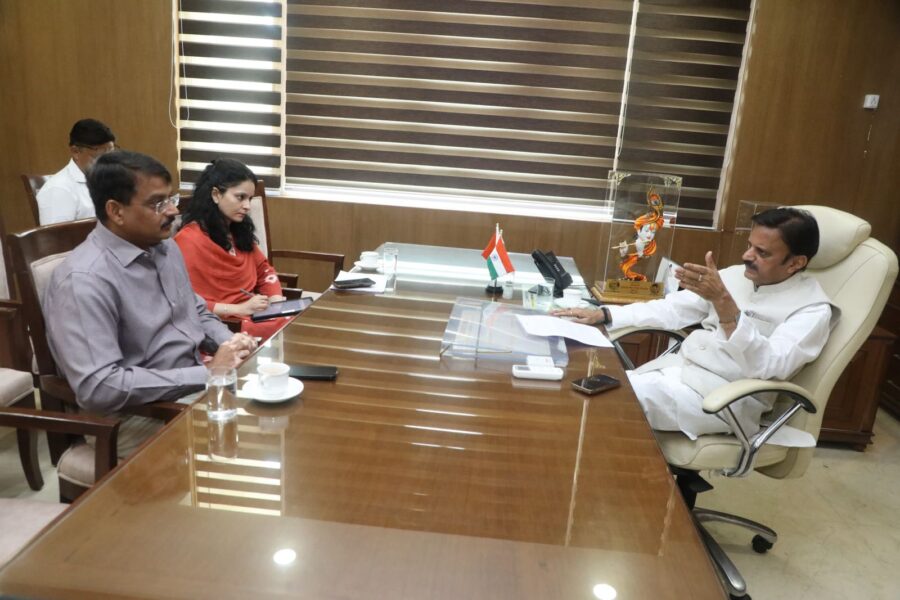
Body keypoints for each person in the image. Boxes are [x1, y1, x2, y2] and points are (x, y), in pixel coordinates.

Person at [556, 207, 839, 440]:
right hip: (679, 374)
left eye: (762, 253)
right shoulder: (735, 275)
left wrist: (726, 307)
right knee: (575, 386)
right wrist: (606, 315)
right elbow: (672, 309)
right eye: (749, 246)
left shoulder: (812, 310)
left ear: (795, 263)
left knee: (603, 404)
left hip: (725, 400)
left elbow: (769, 366)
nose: (747, 256)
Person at [43, 150, 257, 418]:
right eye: (157, 203)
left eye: (170, 198)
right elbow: (99, 387)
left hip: (193, 384)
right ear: (116, 211)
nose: (173, 211)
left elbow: (195, 311)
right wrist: (207, 373)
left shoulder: (165, 247)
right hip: (141, 414)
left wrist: (231, 344)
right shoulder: (84, 280)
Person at [174, 158, 287, 340]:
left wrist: (276, 302)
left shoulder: (238, 231)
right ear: (216, 194)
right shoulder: (188, 241)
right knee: (295, 330)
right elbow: (185, 302)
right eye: (240, 197)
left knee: (301, 319)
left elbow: (264, 270)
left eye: (249, 199)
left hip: (255, 313)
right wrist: (239, 308)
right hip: (225, 325)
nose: (247, 206)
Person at [37, 118, 117, 225]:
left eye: (111, 152)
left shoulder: (111, 179)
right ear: (76, 152)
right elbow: (56, 235)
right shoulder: (58, 189)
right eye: (99, 156)